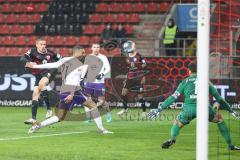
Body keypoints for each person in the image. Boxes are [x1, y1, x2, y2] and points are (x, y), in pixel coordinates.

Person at [148, 61, 240, 150]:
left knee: (177, 123)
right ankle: (230, 145)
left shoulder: (185, 82)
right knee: (219, 119)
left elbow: (173, 97)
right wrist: (231, 111)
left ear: (189, 71)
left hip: (189, 109)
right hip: (204, 108)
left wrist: (158, 109)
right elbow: (219, 99)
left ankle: (172, 139)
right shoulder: (206, 81)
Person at [27, 46, 113, 134]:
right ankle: (102, 129)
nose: (84, 54)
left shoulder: (65, 60)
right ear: (76, 52)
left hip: (64, 90)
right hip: (72, 91)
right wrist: (71, 94)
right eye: (82, 52)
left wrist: (35, 66)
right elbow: (74, 80)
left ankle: (38, 125)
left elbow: (52, 65)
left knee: (60, 117)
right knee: (93, 106)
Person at [20, 37, 62, 124]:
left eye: (44, 44)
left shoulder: (50, 52)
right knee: (35, 94)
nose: (43, 46)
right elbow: (22, 59)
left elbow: (61, 59)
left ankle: (49, 109)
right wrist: (29, 62)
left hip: (49, 72)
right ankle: (33, 118)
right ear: (37, 45)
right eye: (41, 44)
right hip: (38, 75)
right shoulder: (32, 51)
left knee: (42, 84)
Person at [117, 40, 147, 117]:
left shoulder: (139, 56)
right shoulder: (126, 57)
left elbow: (145, 65)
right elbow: (128, 69)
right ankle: (125, 109)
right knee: (123, 93)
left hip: (138, 78)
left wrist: (143, 75)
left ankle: (144, 111)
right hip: (130, 78)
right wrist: (126, 78)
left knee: (140, 96)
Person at [84, 43, 112, 123]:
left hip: (99, 82)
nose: (96, 48)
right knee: (88, 100)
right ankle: (88, 117)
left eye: (97, 47)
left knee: (101, 100)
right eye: (94, 47)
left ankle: (108, 113)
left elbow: (108, 68)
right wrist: (82, 78)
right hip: (89, 81)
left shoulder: (103, 57)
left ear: (99, 48)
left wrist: (102, 74)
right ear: (91, 48)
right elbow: (85, 68)